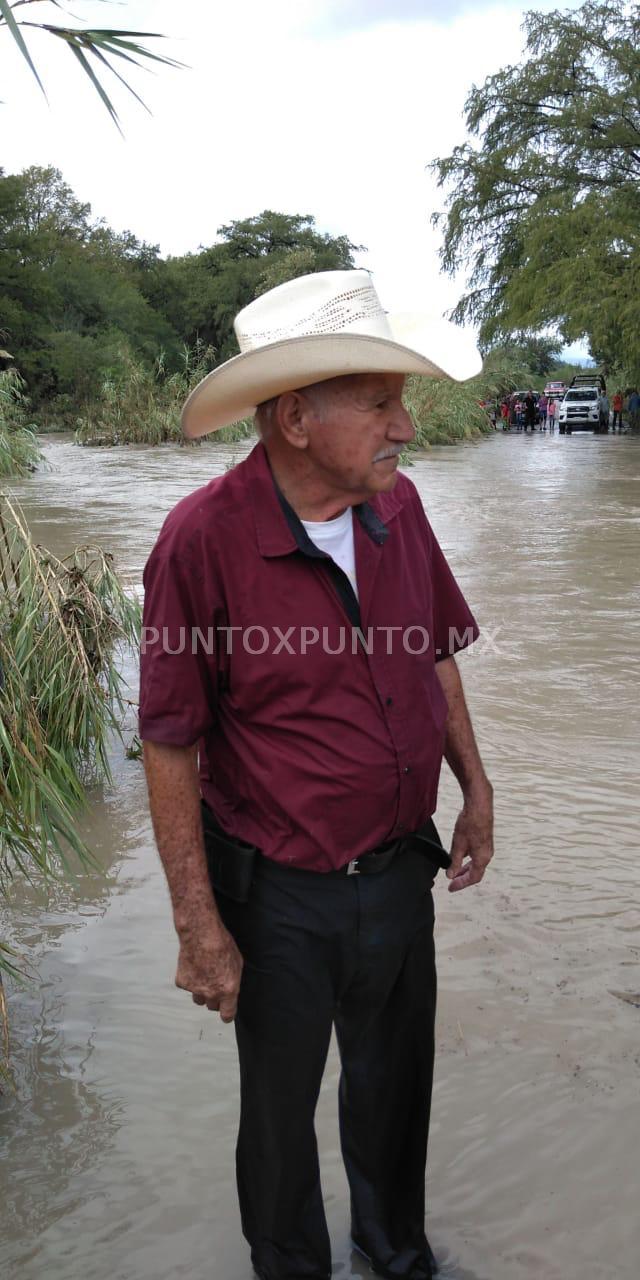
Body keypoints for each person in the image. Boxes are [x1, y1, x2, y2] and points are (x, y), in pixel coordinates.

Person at [139, 270, 494, 1280]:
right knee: (279, 1115)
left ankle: (393, 1251)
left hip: (397, 869)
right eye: (379, 401)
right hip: (278, 889)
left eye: (399, 399)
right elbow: (167, 737)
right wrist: (198, 925)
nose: (404, 423)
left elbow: (435, 648)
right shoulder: (200, 541)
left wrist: (475, 787)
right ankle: (290, 1265)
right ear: (295, 416)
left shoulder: (402, 507)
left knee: (393, 1089)